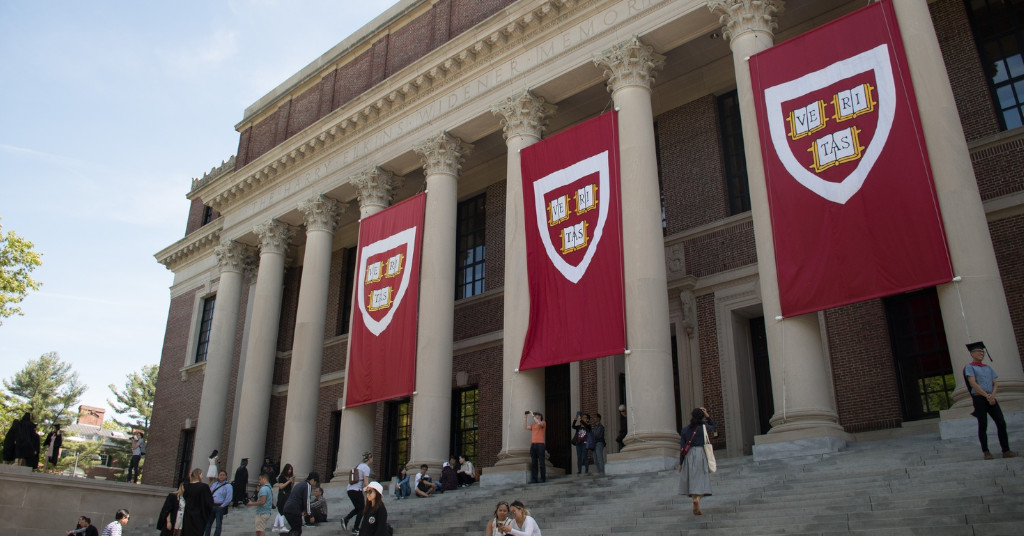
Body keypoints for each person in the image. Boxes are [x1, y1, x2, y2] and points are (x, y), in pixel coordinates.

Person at [964, 341, 1018, 460]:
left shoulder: (988, 368)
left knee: (1001, 422)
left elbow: (995, 383)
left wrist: (992, 395)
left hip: (991, 398)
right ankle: (986, 451)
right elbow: (972, 383)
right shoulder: (970, 367)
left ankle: (1006, 450)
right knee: (983, 424)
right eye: (978, 351)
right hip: (979, 398)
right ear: (972, 353)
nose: (981, 353)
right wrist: (986, 396)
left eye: (982, 352)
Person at [678, 407, 715, 515]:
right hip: (700, 454)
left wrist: (681, 463)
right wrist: (707, 415)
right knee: (702, 480)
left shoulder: (685, 430)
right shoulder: (703, 428)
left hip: (689, 455)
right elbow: (713, 425)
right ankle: (697, 500)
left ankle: (694, 499)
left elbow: (682, 448)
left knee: (692, 481)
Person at [282, 471, 319, 536]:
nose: (315, 484)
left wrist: (303, 510)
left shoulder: (300, 484)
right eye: (315, 482)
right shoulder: (307, 485)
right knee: (297, 531)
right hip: (294, 510)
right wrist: (310, 515)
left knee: (295, 529)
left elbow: (298, 498)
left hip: (287, 508)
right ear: (312, 480)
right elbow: (307, 501)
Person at [343, 451, 372, 530]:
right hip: (356, 490)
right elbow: (366, 482)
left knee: (358, 508)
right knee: (362, 509)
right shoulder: (366, 468)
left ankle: (346, 519)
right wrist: (369, 492)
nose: (372, 460)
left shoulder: (358, 466)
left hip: (350, 490)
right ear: (369, 459)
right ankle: (356, 528)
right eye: (371, 458)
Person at [183, 468, 215, 536]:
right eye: (201, 474)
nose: (202, 476)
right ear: (198, 474)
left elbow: (185, 490)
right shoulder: (204, 487)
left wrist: (188, 476)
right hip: (199, 516)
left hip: (188, 514)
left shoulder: (188, 486)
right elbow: (209, 502)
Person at [205, 470, 233, 536]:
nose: (222, 476)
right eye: (220, 475)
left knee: (218, 524)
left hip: (220, 506)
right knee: (208, 523)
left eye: (223, 475)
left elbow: (229, 498)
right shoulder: (215, 484)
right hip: (212, 505)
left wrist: (223, 505)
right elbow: (210, 493)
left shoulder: (228, 486)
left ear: (226, 476)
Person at [524, 411, 546, 483]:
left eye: (538, 415)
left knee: (542, 462)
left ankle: (543, 478)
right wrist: (525, 417)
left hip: (540, 445)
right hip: (533, 445)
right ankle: (534, 479)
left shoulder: (543, 422)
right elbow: (525, 427)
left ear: (540, 417)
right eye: (536, 415)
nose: (536, 416)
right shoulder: (533, 425)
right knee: (534, 462)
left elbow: (539, 424)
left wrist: (532, 415)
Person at [272, 463, 295, 533]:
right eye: (289, 469)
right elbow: (281, 487)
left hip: (288, 494)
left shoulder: (289, 477)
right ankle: (282, 526)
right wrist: (288, 481)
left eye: (291, 469)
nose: (290, 471)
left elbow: (291, 488)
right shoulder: (281, 477)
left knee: (281, 511)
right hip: (282, 495)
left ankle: (275, 526)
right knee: (282, 510)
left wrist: (292, 481)